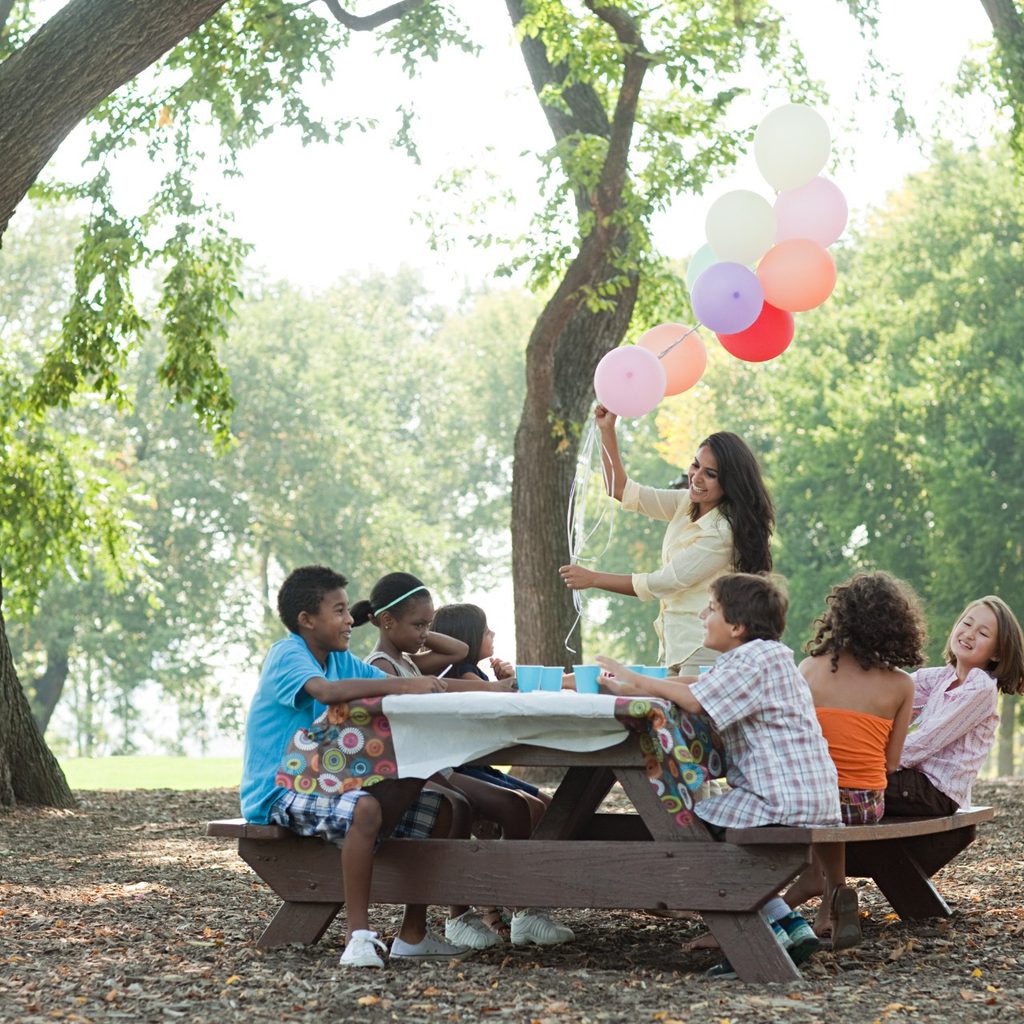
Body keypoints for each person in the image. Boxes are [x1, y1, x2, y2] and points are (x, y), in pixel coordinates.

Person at [597, 572, 841, 979]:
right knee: (698, 828)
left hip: (781, 799)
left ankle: (759, 938)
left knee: (688, 829)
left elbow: (693, 699)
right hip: (804, 795)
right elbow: (695, 681)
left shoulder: (753, 659)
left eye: (710, 608)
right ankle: (790, 926)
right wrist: (638, 684)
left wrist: (636, 681)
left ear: (737, 626)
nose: (701, 614)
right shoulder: (767, 656)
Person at [239, 565, 469, 969]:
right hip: (277, 790)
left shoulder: (341, 660)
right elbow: (325, 693)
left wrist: (502, 689)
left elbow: (439, 685)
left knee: (441, 808)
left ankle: (413, 933)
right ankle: (357, 937)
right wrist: (405, 684)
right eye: (339, 611)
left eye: (348, 610)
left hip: (323, 782)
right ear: (306, 620)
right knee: (366, 809)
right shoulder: (287, 653)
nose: (350, 621)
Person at [353, 575, 574, 949]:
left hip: (430, 767)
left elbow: (457, 649)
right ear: (387, 622)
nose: (425, 633)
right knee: (505, 805)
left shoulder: (407, 660)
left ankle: (524, 910)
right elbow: (448, 672)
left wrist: (419, 627)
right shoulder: (381, 667)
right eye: (418, 624)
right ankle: (472, 914)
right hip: (414, 773)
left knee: (517, 806)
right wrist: (487, 687)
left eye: (429, 624)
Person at [559, 405, 775, 675]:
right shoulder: (686, 503)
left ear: (729, 482)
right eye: (696, 465)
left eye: (710, 474)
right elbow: (621, 489)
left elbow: (664, 582)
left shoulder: (722, 532)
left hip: (705, 647)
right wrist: (607, 430)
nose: (696, 477)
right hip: (675, 645)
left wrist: (594, 579)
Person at [782, 572, 925, 950]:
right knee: (841, 793)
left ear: (839, 619)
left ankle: (816, 888)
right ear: (896, 627)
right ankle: (829, 908)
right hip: (866, 804)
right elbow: (892, 763)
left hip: (812, 800)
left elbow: (795, 740)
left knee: (825, 793)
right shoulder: (902, 684)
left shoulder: (810, 668)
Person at [884, 595, 1024, 817]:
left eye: (983, 633)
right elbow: (892, 691)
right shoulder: (943, 676)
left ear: (997, 653)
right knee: (846, 776)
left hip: (936, 791)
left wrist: (879, 763)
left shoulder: (981, 688)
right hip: (914, 780)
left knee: (852, 784)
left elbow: (928, 740)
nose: (970, 634)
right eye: (967, 623)